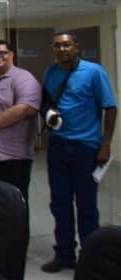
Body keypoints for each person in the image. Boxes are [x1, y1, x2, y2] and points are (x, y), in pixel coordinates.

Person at [41, 32, 116, 273]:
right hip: (58, 146)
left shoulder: (94, 72)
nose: (62, 49)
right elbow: (46, 102)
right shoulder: (50, 72)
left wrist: (106, 144)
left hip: (86, 147)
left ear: (76, 47)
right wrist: (48, 114)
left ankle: (90, 258)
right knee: (59, 203)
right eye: (58, 46)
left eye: (67, 45)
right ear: (53, 49)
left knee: (86, 206)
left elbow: (110, 108)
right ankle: (64, 254)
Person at [0, 40, 41, 206]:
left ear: (11, 55)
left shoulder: (24, 78)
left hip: (14, 156)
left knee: (15, 203)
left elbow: (24, 109)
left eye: (3, 53)